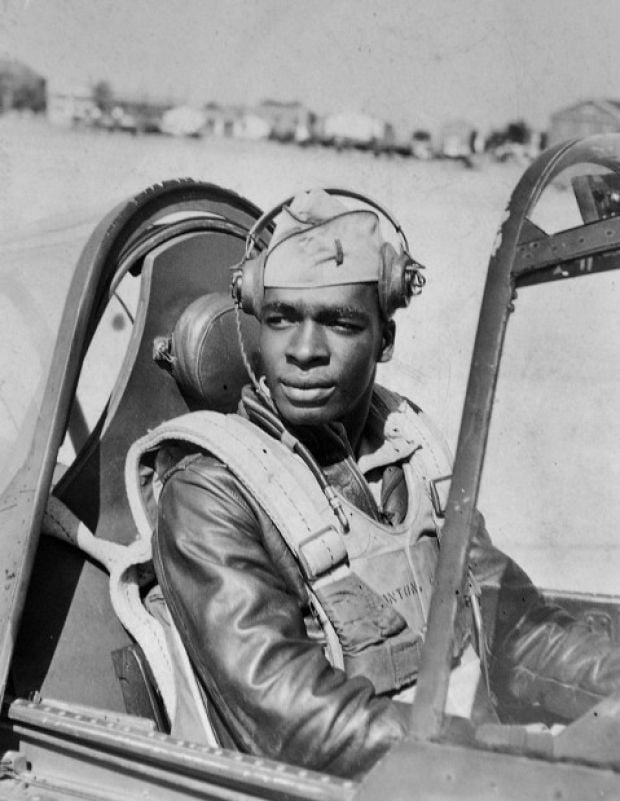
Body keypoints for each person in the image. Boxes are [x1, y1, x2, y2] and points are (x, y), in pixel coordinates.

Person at [149, 189, 620, 779]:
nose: (303, 351)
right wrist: (512, 756)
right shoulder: (211, 493)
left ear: (385, 341)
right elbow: (295, 722)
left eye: (340, 323)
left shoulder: (415, 454)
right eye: (280, 320)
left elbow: (515, 628)